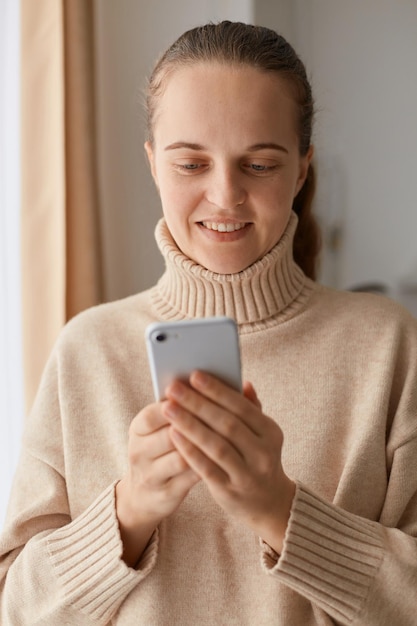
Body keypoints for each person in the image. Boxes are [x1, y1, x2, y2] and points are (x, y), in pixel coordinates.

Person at [1, 20, 417, 626]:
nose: (225, 196)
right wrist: (127, 511)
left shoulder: (388, 345)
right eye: (192, 163)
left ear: (301, 170)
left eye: (259, 165)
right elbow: (16, 607)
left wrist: (280, 509)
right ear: (152, 164)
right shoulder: (88, 350)